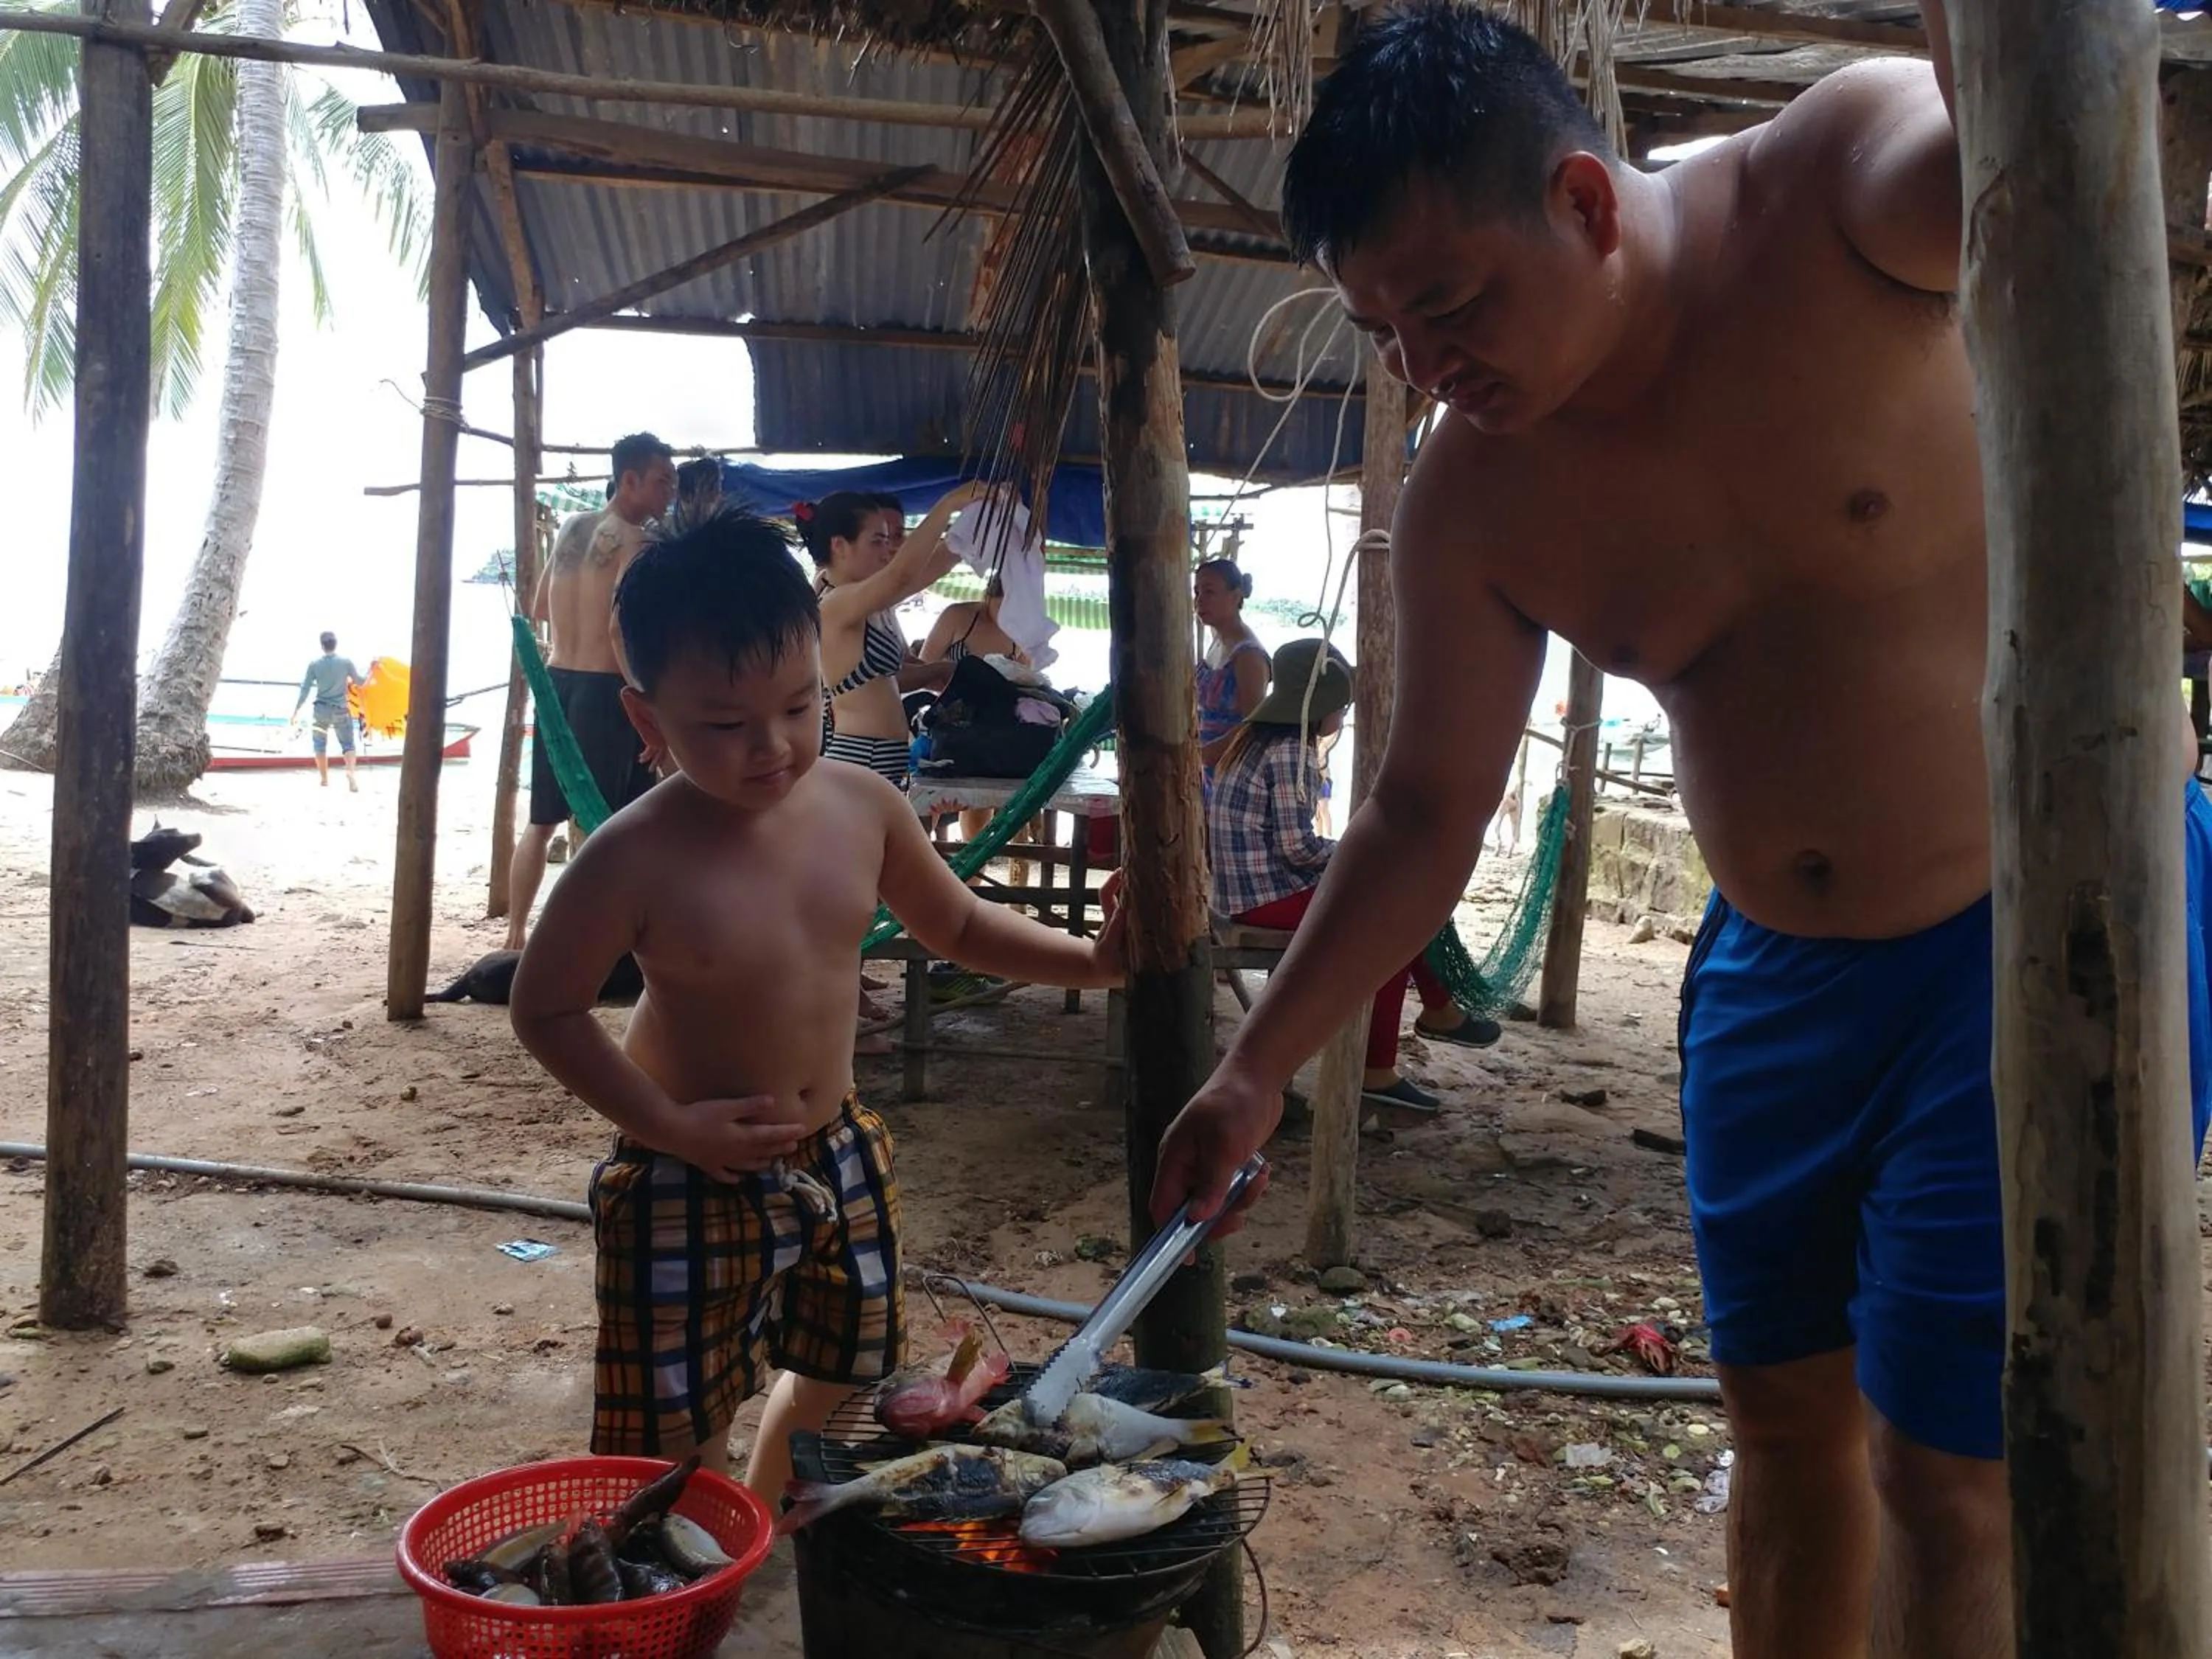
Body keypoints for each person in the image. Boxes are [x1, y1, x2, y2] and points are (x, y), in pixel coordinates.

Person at [1145, 10, 2212, 1658]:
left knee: (1955, 1478)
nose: (1432, 369)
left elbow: (2039, 137)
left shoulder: (1838, 195)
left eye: (1450, 307)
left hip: (2029, 941)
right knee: (1782, 1427)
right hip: (1773, 980)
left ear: (1582, 200)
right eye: (1389, 336)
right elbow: (1426, 811)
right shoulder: (1477, 498)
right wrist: (1254, 1065)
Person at [506, 511, 1123, 1509]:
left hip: (835, 1147)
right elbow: (547, 1007)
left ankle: (766, 1527)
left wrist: (1096, 962)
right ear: (646, 721)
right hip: (685, 1168)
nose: (772, 746)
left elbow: (958, 924)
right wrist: (663, 1123)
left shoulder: (861, 806)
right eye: (723, 723)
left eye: (798, 706)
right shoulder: (631, 851)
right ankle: (702, 1549)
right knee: (676, 1418)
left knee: (846, 1366)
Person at [1209, 639, 1499, 1114]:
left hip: (1247, 889)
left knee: (1404, 898)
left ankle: (1438, 1010)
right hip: (1262, 897)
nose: (1342, 719)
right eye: (1340, 709)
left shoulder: (1256, 742)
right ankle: (1380, 1066)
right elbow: (1297, 848)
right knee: (1392, 924)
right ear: (1320, 709)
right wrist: (1355, 852)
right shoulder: (1289, 752)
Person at [506, 432, 678, 951]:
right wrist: (645, 698)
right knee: (604, 822)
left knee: (541, 821)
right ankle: (589, 937)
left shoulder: (571, 528)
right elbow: (619, 631)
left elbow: (538, 608)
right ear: (629, 481)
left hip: (557, 683)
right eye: (661, 482)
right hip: (609, 691)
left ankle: (515, 934)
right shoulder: (640, 543)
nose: (669, 493)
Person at [804, 484, 986, 788]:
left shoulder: (867, 601)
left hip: (877, 758)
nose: (888, 551)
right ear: (839, 546)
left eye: (889, 540)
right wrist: (947, 505)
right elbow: (902, 574)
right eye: (877, 541)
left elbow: (928, 569)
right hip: (861, 758)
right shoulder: (835, 602)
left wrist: (979, 520)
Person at [1193, 558, 1268, 779]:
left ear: (1235, 597)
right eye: (1197, 592)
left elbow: (1253, 727)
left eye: (1209, 592)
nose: (1200, 600)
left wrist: (1202, 755)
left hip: (1232, 776)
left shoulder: (1249, 655)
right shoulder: (1217, 642)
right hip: (1205, 770)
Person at [291, 632, 364, 791]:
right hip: (341, 709)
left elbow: (305, 689)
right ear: (335, 644)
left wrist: (296, 709)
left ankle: (324, 779)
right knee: (348, 744)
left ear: (322, 646)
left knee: (319, 745)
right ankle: (350, 772)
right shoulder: (346, 663)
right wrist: (374, 670)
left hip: (321, 710)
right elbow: (360, 681)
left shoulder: (314, 665)